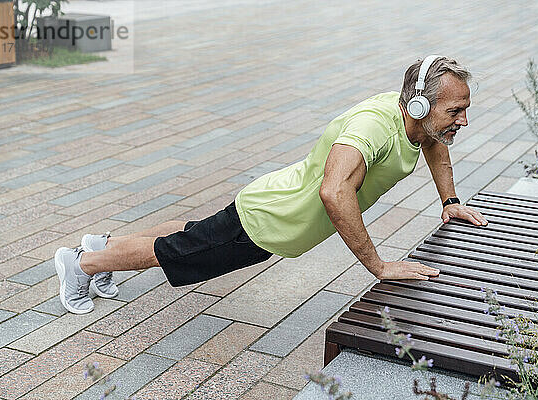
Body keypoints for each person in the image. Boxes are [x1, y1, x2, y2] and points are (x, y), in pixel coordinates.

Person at [54, 55, 488, 314]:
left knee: (192, 232)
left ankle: (103, 243)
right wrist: (378, 265)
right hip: (270, 221)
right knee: (173, 253)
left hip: (269, 204)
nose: (462, 120)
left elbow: (434, 141)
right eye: (455, 111)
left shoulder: (417, 121)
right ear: (418, 103)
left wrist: (449, 200)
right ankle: (83, 265)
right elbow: (334, 192)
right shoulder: (372, 128)